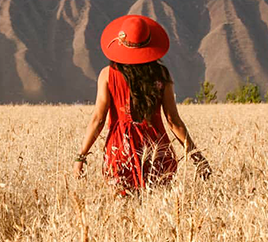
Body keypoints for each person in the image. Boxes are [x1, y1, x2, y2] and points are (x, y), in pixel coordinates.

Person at [73, 15, 211, 195]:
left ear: (121, 45)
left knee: (123, 208)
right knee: (157, 207)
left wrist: (81, 156)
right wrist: (197, 157)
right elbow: (173, 121)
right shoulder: (161, 75)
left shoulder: (108, 75)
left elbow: (98, 120)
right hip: (156, 150)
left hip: (121, 150)